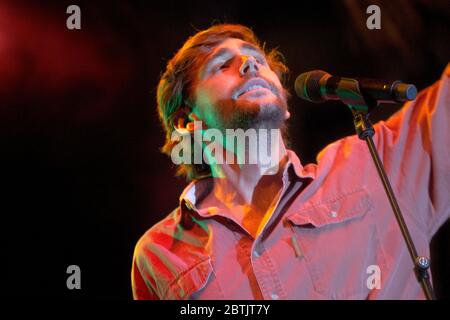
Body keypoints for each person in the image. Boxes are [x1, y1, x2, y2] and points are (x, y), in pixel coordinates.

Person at [131, 24, 450, 300]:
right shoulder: (160, 253)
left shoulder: (375, 165)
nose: (248, 65)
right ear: (188, 122)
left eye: (257, 59)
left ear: (284, 105)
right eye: (222, 65)